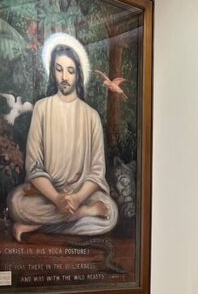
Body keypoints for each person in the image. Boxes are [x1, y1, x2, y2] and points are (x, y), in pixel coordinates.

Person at [8, 33, 118, 242]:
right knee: (15, 201)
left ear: (78, 74)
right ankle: (84, 214)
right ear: (52, 72)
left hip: (82, 195)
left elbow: (97, 172)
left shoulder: (91, 116)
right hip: (47, 195)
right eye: (59, 70)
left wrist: (77, 198)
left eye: (70, 71)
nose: (65, 77)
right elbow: (34, 166)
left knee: (110, 211)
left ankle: (38, 224)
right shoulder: (42, 108)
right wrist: (57, 198)